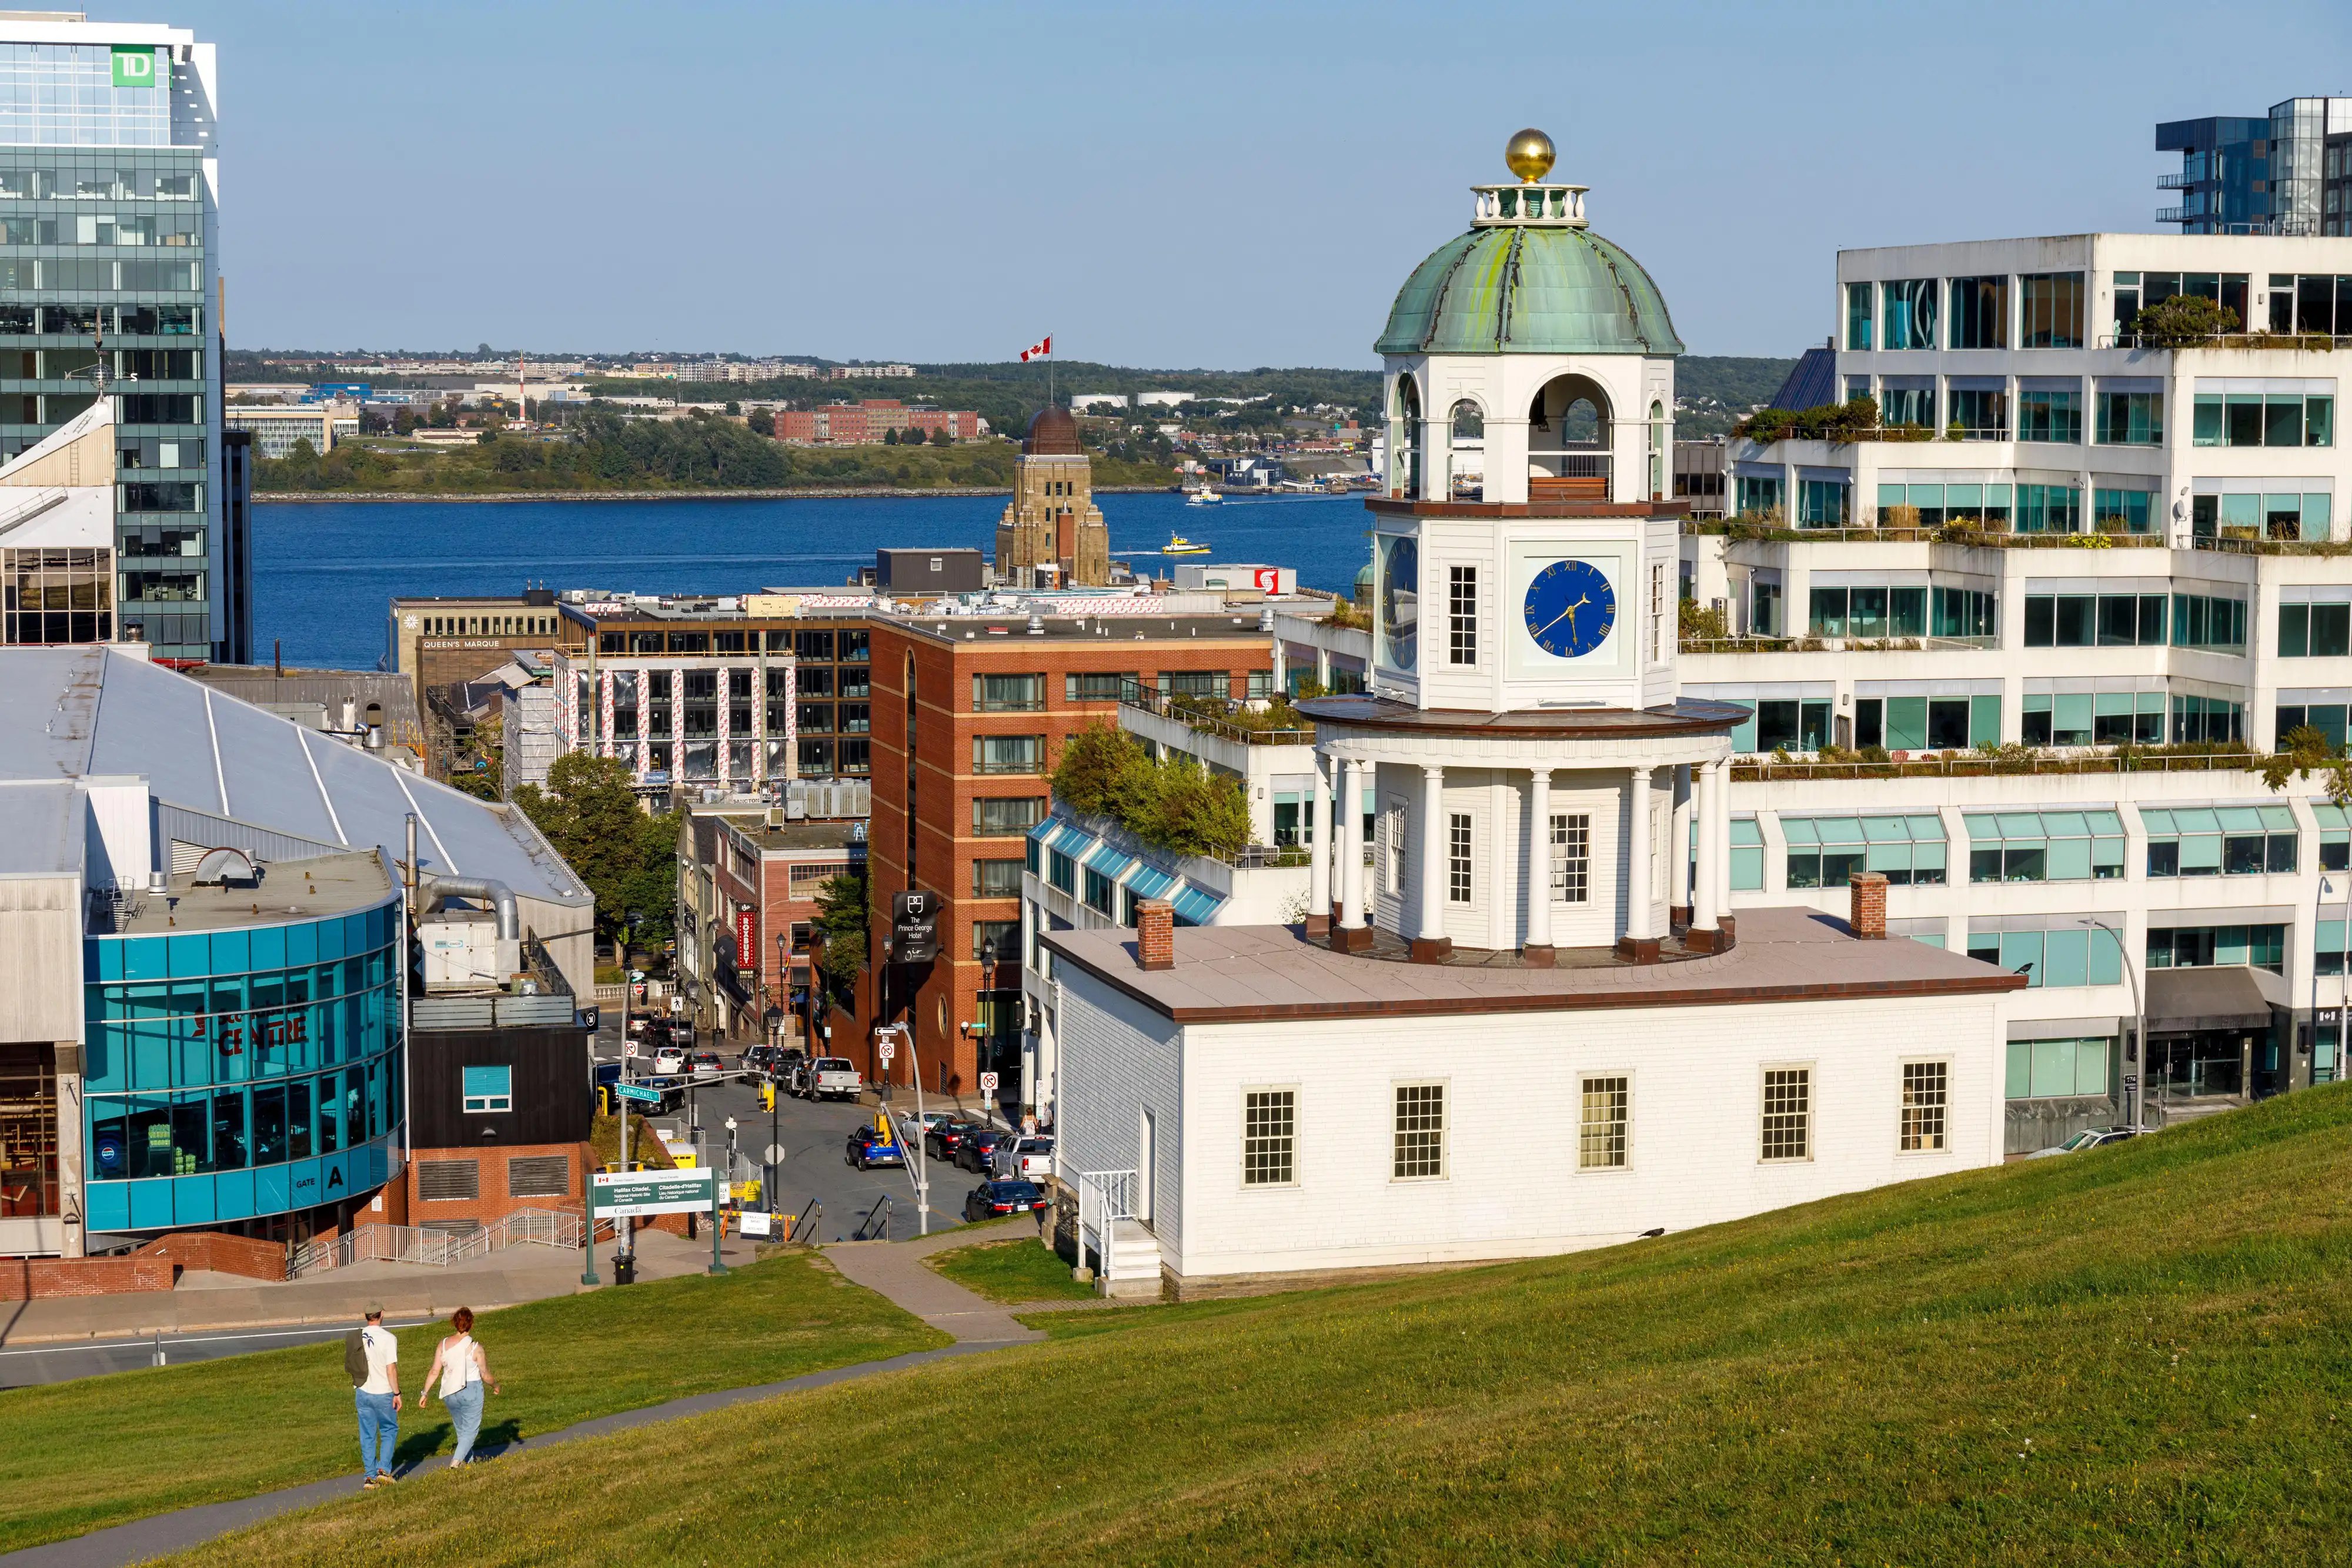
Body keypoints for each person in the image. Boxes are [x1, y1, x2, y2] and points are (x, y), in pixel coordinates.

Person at [417, 1306, 502, 1467]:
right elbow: (485, 1374)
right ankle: (455, 1463)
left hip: (450, 1393)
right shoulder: (476, 1348)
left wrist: (425, 1393)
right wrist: (495, 1386)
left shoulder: (442, 1345)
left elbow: (435, 1371)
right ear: (471, 1325)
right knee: (470, 1430)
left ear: (455, 1324)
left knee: (462, 1430)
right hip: (471, 1391)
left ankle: (467, 1463)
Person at [354, 1305, 401, 1489]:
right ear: (381, 1315)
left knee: (367, 1434)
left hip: (362, 1390)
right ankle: (384, 1471)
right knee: (389, 1430)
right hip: (383, 1392)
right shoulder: (389, 1338)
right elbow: (391, 1369)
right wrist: (397, 1393)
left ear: (366, 1316)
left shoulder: (357, 1337)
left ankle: (369, 1477)